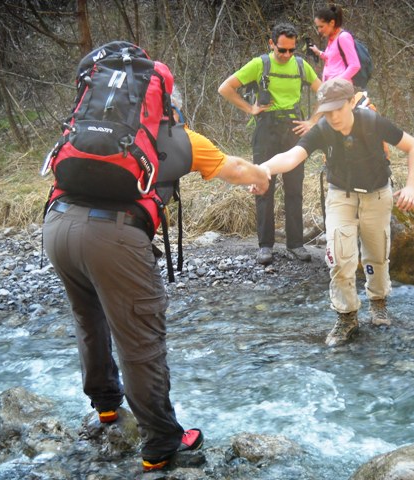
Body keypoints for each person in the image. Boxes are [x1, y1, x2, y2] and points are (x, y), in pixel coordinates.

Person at [42, 90, 269, 471]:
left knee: (89, 317)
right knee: (140, 339)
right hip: (113, 238)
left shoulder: (84, 130)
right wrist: (262, 177)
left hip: (57, 225)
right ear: (168, 104)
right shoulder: (178, 139)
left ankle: (106, 406)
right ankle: (161, 443)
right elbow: (235, 167)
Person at [252, 78, 414, 346]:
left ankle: (378, 302)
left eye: (338, 110)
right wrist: (264, 169)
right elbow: (292, 156)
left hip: (378, 194)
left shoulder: (372, 121)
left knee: (376, 255)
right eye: (327, 110)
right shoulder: (322, 129)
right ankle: (346, 316)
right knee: (340, 258)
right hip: (340, 196)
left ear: (351, 102)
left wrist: (411, 187)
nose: (332, 117)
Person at [218, 22, 322, 266]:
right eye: (282, 50)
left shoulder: (301, 65)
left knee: (294, 189)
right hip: (266, 130)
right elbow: (225, 88)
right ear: (271, 43)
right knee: (262, 185)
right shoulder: (260, 64)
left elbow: (325, 93)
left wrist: (312, 122)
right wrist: (250, 109)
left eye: (291, 50)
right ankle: (265, 246)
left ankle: (295, 244)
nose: (286, 55)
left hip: (294, 129)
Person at [308, 4, 360, 82]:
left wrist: (337, 82)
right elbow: (332, 59)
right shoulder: (332, 38)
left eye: (321, 26)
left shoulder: (343, 37)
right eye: (317, 27)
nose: (319, 30)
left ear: (332, 23)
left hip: (340, 89)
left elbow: (355, 65)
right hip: (331, 88)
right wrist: (319, 52)